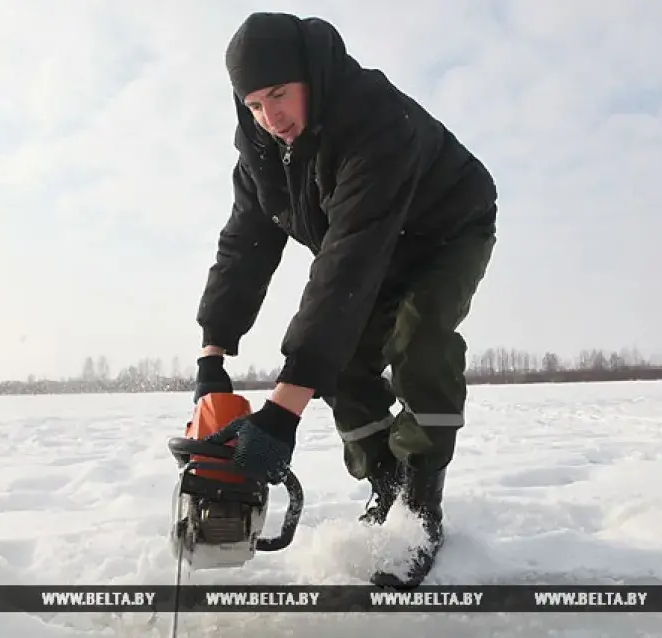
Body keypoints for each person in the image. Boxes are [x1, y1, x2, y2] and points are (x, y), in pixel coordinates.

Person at [192, 11, 497, 589]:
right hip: (372, 243)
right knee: (344, 362)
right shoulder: (261, 152)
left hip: (445, 231)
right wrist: (213, 353)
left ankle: (419, 507)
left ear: (311, 75)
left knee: (420, 341)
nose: (270, 116)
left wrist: (281, 414)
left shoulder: (375, 120)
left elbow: (346, 264)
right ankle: (385, 483)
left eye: (279, 94)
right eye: (254, 103)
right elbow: (244, 247)